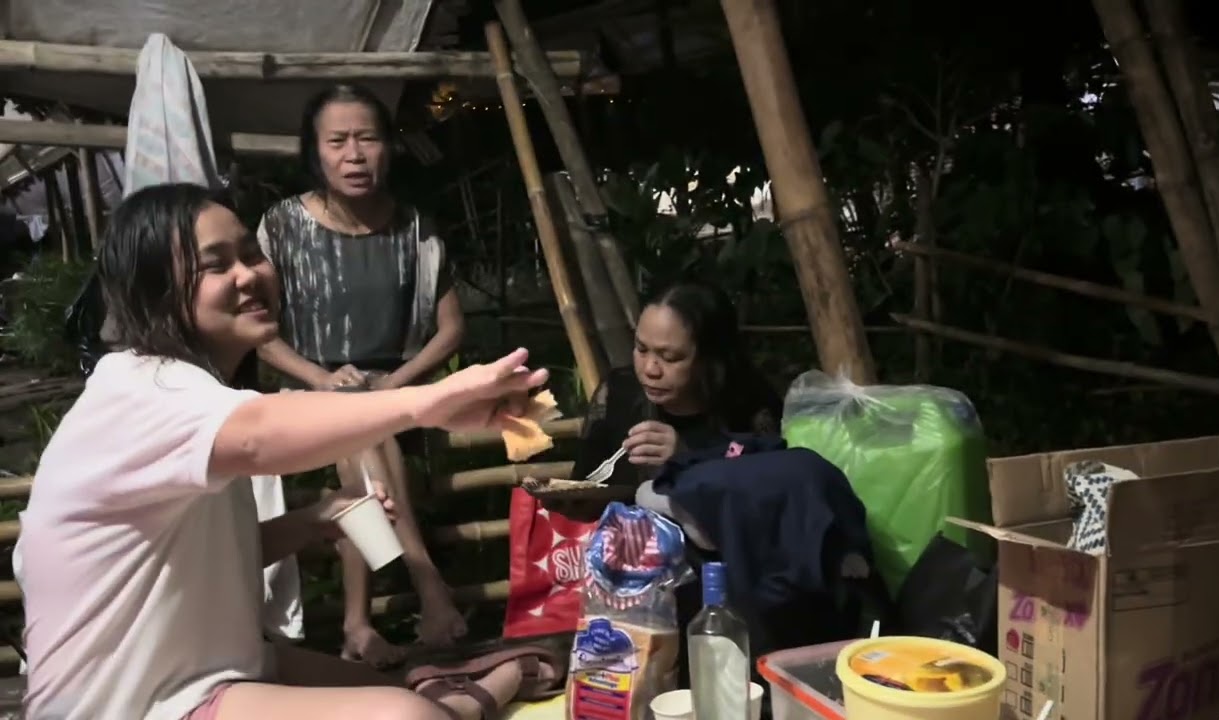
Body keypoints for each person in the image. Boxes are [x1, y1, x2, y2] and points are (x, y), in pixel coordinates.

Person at [16, 183, 552, 720]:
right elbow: (257, 434)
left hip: (203, 673)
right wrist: (429, 402)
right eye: (216, 265)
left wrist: (318, 520)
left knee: (396, 697)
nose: (249, 274)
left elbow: (205, 557)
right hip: (123, 707)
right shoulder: (143, 389)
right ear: (155, 289)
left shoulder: (190, 392)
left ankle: (467, 698)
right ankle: (474, 698)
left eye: (251, 254)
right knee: (407, 718)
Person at [255, 84, 465, 666]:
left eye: (368, 139)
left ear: (389, 148)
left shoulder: (415, 229)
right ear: (314, 151)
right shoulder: (282, 226)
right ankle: (429, 584)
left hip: (392, 398)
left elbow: (450, 331)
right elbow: (261, 333)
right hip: (304, 395)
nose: (354, 154)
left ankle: (355, 626)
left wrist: (394, 386)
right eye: (338, 141)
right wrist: (321, 381)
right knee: (359, 426)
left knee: (361, 438)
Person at [551, 281, 782, 518]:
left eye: (669, 357)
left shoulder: (750, 405)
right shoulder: (621, 392)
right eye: (641, 349)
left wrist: (687, 460)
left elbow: (767, 508)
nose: (650, 369)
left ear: (710, 358)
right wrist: (568, 499)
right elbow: (587, 485)